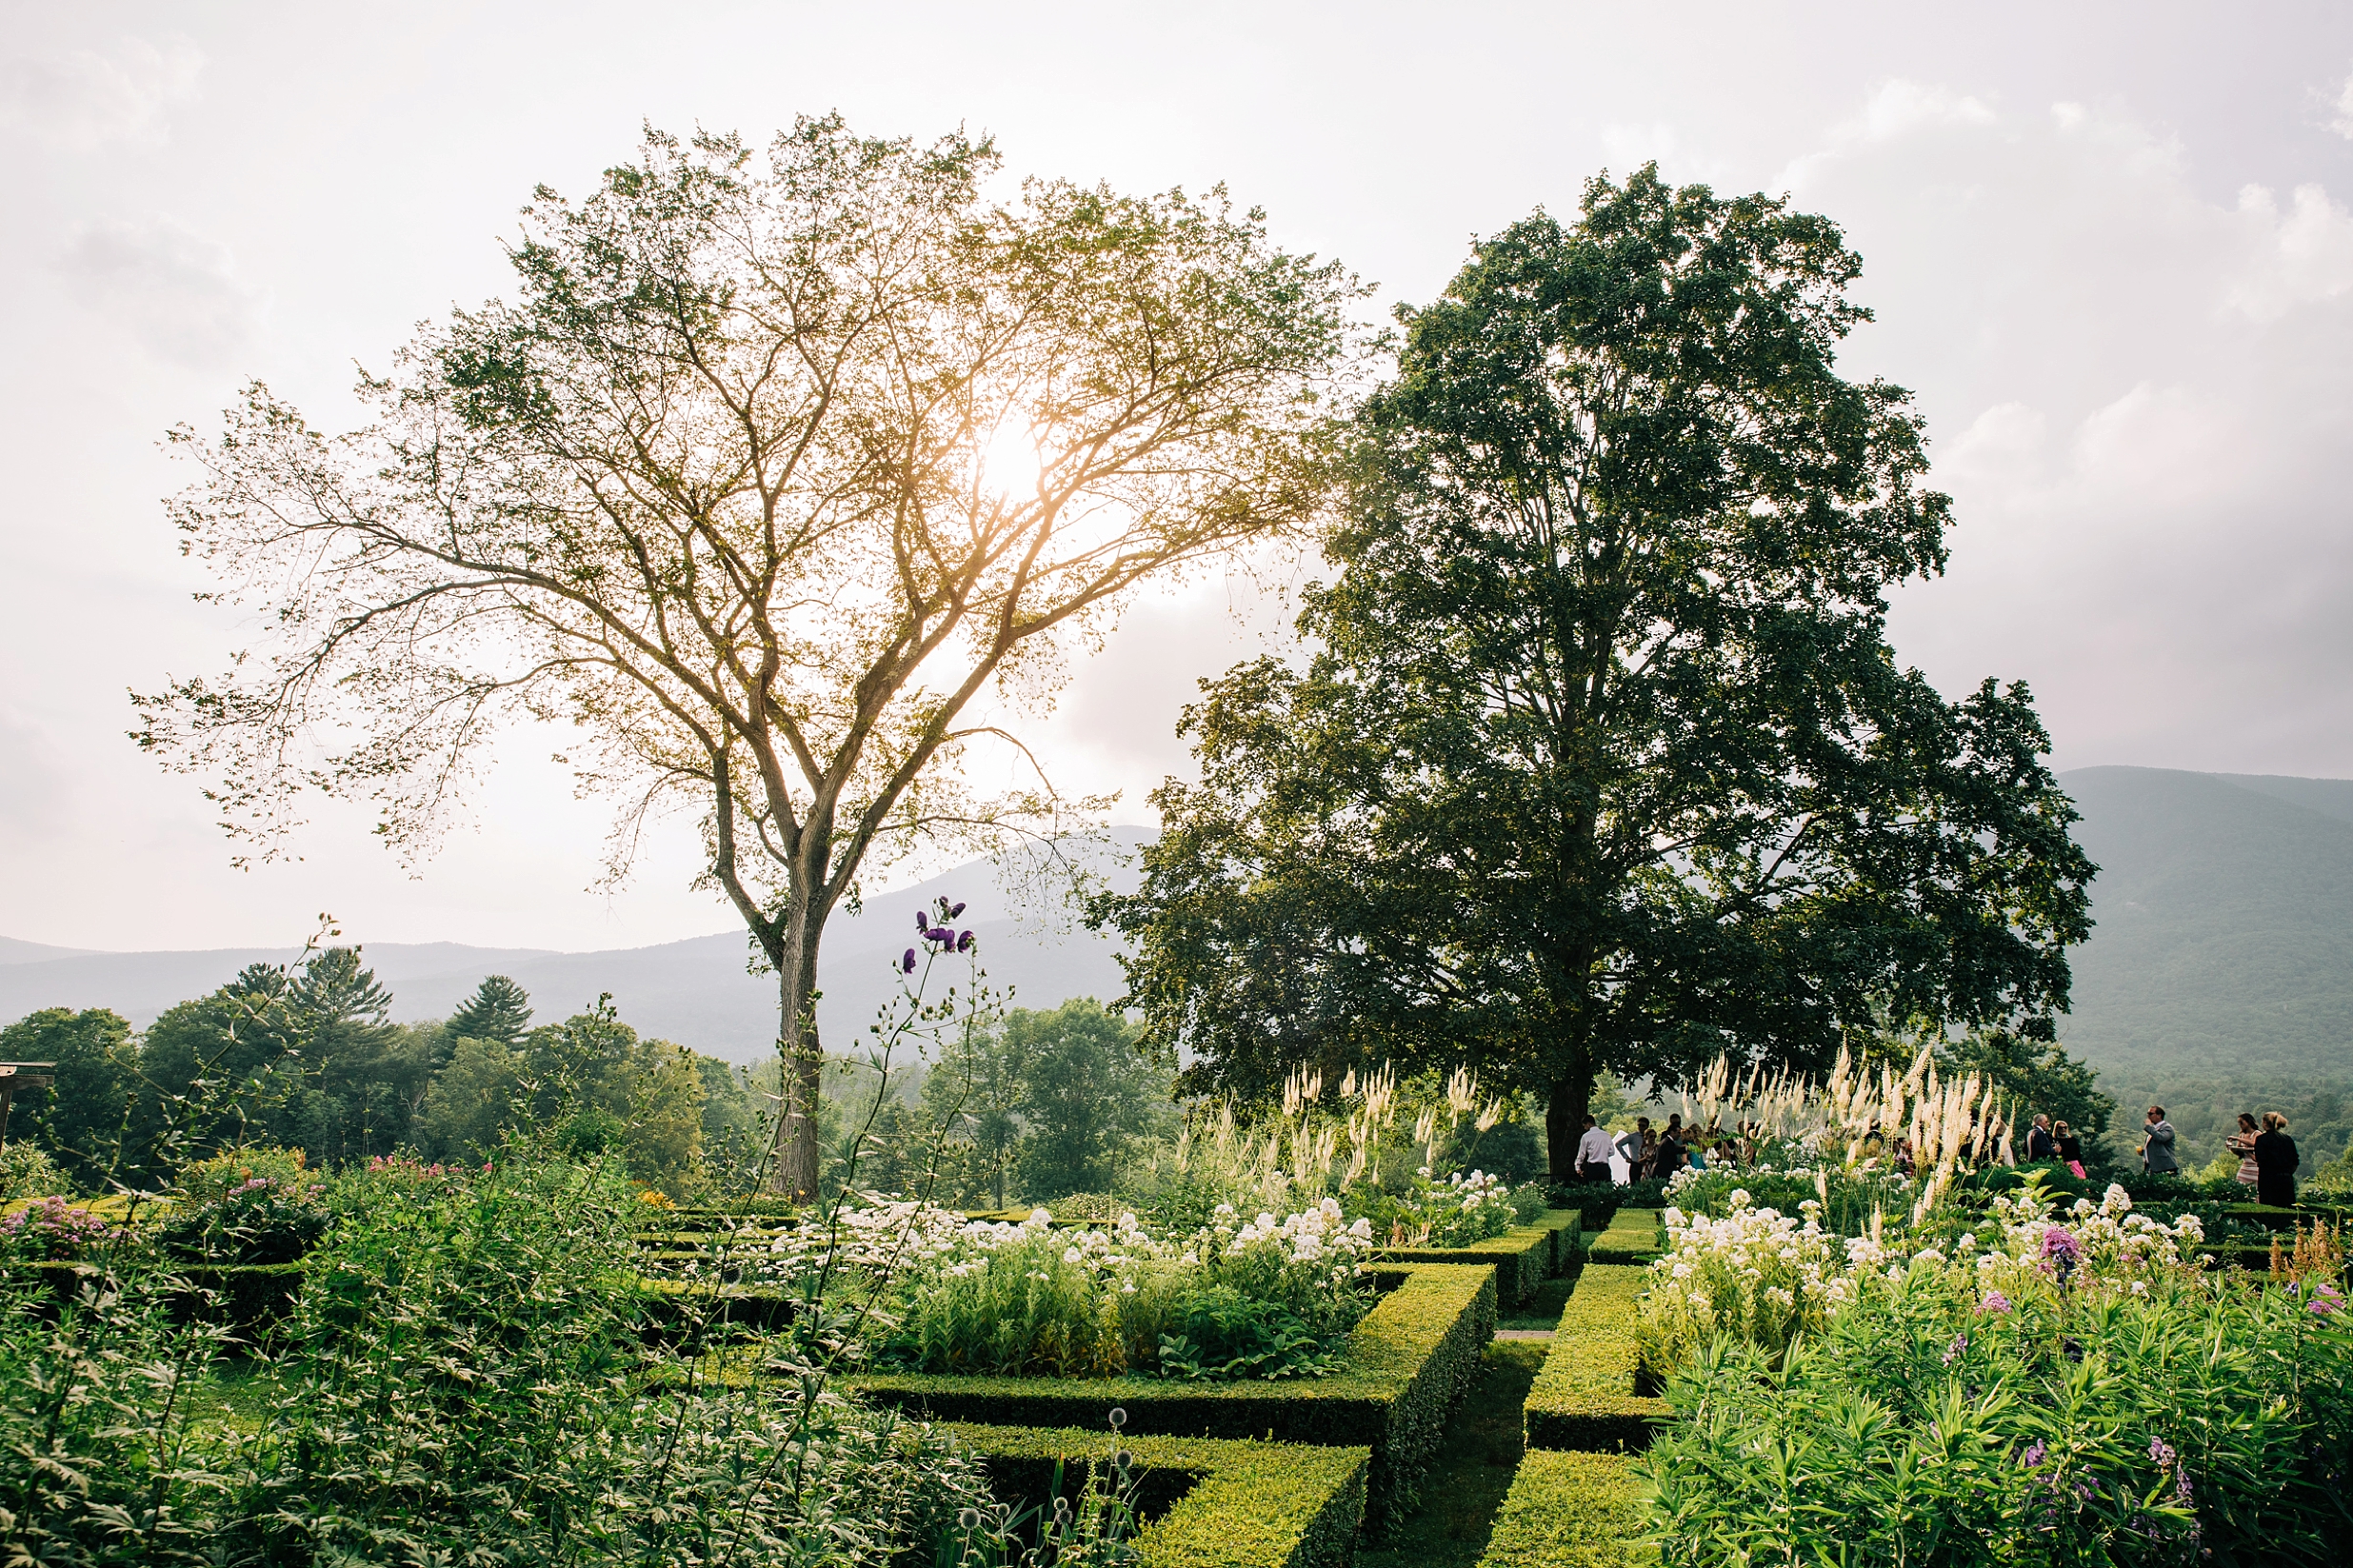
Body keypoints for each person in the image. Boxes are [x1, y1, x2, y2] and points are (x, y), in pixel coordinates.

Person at [2254, 1112, 2300, 1208]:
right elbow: (2295, 1161)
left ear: (2265, 1123)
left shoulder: (2261, 1139)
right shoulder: (2287, 1139)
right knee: (2287, 1208)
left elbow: (2260, 1159)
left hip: (2268, 1180)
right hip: (2286, 1180)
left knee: (2268, 1208)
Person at [1573, 1115, 1616, 1183]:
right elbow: (1612, 1152)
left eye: (1585, 1126)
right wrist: (1603, 1153)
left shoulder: (1586, 1136)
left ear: (1588, 1124)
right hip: (1605, 1167)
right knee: (1606, 1189)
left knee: (1593, 1189)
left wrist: (1578, 1167)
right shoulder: (1606, 1135)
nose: (1584, 1128)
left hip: (1593, 1167)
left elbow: (1581, 1154)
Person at [2139, 1105, 2180, 1176]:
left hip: (2164, 1167)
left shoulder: (2167, 1128)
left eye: (2151, 1114)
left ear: (2159, 1115)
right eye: (2147, 1114)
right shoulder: (2154, 1129)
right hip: (2153, 1167)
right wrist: (2144, 1152)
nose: (2148, 1116)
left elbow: (2161, 1138)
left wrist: (2149, 1127)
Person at [2226, 1112, 2261, 1188]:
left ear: (2248, 1122)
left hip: (2255, 1166)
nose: (2240, 1125)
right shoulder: (2242, 1135)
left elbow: (2253, 1143)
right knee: (2240, 1185)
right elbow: (2239, 1151)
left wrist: (2237, 1138)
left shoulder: (2257, 1133)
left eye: (2241, 1122)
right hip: (2245, 1166)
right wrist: (2231, 1147)